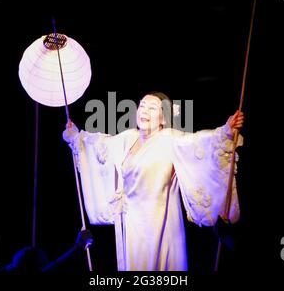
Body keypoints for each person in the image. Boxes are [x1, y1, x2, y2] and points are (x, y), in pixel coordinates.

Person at [62, 91, 244, 271]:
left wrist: (226, 130)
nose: (144, 111)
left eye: (152, 108)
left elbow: (199, 143)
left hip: (160, 223)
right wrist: (77, 137)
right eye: (141, 106)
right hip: (133, 224)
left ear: (163, 119)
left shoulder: (170, 138)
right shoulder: (128, 138)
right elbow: (100, 146)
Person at [0, 229, 93, 274]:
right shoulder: (14, 270)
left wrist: (77, 247)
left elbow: (55, 264)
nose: (28, 247)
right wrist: (77, 247)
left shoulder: (10, 268)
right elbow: (56, 265)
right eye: (27, 250)